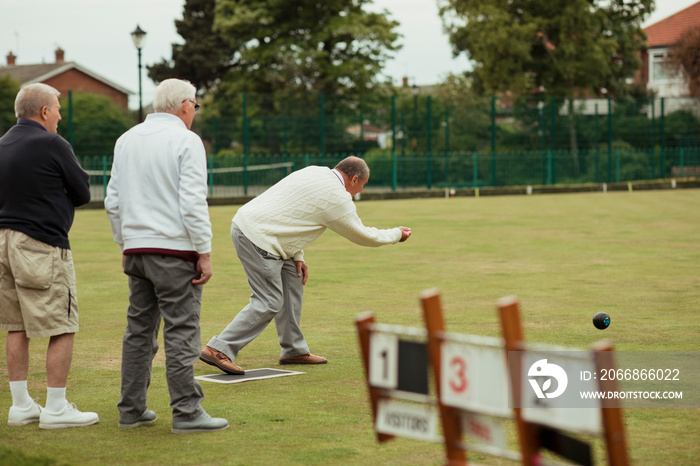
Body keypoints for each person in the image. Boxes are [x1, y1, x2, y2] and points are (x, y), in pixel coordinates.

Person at [201, 156, 411, 373]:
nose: (359, 192)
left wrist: (297, 256)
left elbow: (292, 213)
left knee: (294, 276)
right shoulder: (338, 197)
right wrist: (396, 234)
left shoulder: (315, 171)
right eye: (362, 186)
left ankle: (293, 350)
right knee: (269, 301)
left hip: (253, 226)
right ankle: (219, 349)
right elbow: (362, 235)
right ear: (354, 179)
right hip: (259, 237)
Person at [105, 78, 228, 434]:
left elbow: (113, 200)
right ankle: (187, 412)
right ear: (186, 105)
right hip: (174, 251)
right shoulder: (187, 140)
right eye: (196, 105)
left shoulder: (126, 139)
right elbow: (192, 202)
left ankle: (131, 409)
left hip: (137, 250)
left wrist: (124, 242)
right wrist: (204, 252)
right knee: (182, 330)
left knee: (138, 331)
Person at [0, 83, 98, 429]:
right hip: (41, 243)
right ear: (43, 111)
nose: (59, 115)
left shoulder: (2, 143)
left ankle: (21, 405)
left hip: (3, 243)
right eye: (56, 108)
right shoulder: (52, 143)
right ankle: (56, 408)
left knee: (16, 325)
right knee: (63, 324)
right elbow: (83, 191)